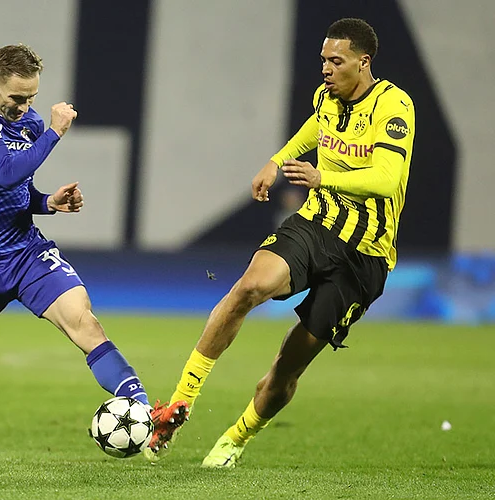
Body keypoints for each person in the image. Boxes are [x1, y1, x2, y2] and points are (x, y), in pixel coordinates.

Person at [144, 18, 415, 466]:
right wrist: (278, 160)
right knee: (249, 286)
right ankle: (179, 403)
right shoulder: (327, 98)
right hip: (316, 223)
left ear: (363, 63)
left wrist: (321, 174)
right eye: (323, 59)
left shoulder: (394, 106)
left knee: (287, 368)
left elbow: (387, 179)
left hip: (364, 255)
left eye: (337, 60)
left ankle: (237, 436)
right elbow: (316, 127)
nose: (326, 69)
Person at [0, 43, 188, 459]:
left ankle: (145, 410)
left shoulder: (29, 122)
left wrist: (47, 202)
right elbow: (3, 171)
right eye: (17, 98)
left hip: (22, 251)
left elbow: (16, 190)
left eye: (31, 97)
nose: (24, 106)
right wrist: (54, 133)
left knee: (83, 321)